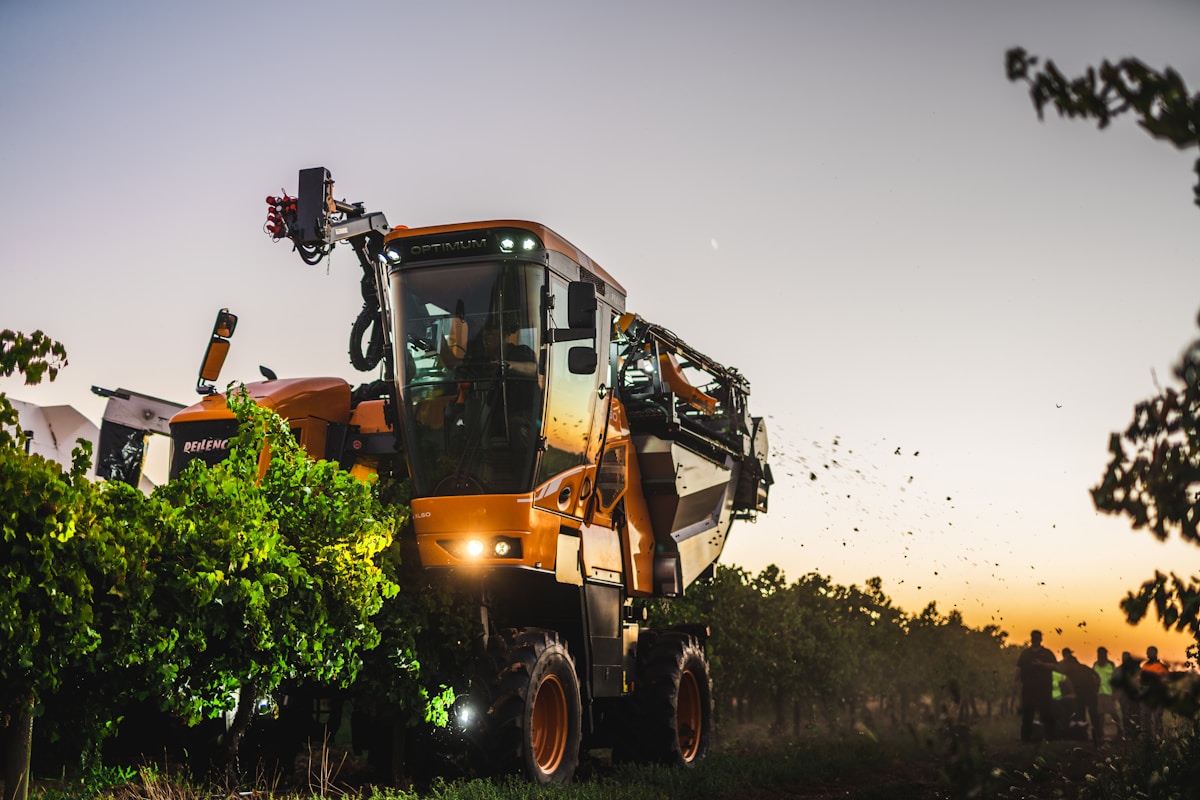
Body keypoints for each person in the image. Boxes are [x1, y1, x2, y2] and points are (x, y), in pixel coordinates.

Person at [1016, 629, 1058, 742]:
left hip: (1044, 688)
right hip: (1029, 688)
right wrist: (1015, 680)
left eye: (1037, 638)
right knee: (1027, 714)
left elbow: (1055, 666)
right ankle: (1025, 739)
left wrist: (1041, 664)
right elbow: (1019, 668)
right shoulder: (1025, 653)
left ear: (1040, 639)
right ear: (1031, 639)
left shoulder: (1047, 653)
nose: (1035, 640)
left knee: (1046, 713)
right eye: (1034, 638)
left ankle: (1050, 738)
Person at [1058, 648, 1101, 744]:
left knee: (1086, 715)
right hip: (1085, 695)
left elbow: (1097, 677)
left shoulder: (1071, 669)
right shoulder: (1082, 668)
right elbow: (1097, 677)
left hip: (1085, 695)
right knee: (1089, 715)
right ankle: (1092, 735)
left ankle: (1090, 735)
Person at [1140, 646, 1169, 738]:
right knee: (1146, 717)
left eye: (1150, 652)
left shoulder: (1162, 667)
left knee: (1157, 717)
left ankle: (1159, 738)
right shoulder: (1145, 666)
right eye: (1148, 652)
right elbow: (1142, 682)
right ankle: (1149, 738)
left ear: (1155, 653)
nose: (1148, 654)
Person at [1093, 647, 1120, 741]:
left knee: (1114, 714)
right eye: (1099, 653)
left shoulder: (1111, 665)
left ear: (1106, 654)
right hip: (1099, 693)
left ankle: (1120, 731)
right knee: (1100, 714)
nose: (1100, 655)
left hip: (1109, 694)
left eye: (1102, 653)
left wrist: (1116, 693)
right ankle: (1100, 733)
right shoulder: (1095, 665)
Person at [1113, 651, 1142, 738]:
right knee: (1126, 714)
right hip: (1124, 696)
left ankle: (1135, 733)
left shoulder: (1136, 669)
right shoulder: (1119, 670)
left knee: (1135, 713)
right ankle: (1128, 733)